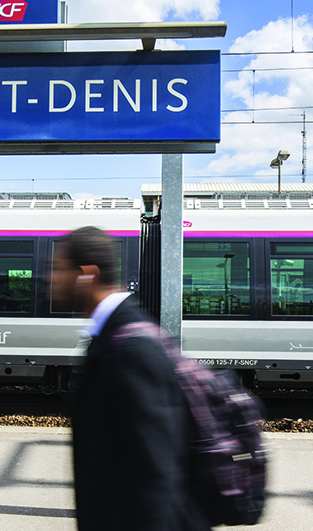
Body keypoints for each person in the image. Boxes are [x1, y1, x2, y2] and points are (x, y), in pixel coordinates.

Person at [50, 226, 210, 531]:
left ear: (86, 275)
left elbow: (154, 481)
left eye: (58, 269)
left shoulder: (131, 349)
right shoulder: (112, 338)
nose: (51, 279)